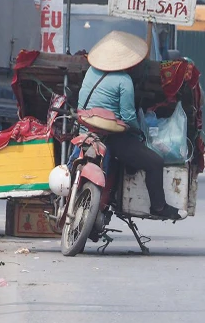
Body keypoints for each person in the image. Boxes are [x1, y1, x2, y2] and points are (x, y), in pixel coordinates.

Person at [78, 31, 182, 220]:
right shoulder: (124, 81)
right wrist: (138, 131)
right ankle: (158, 207)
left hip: (85, 131)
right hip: (111, 137)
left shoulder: (91, 72)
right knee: (154, 162)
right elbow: (128, 116)